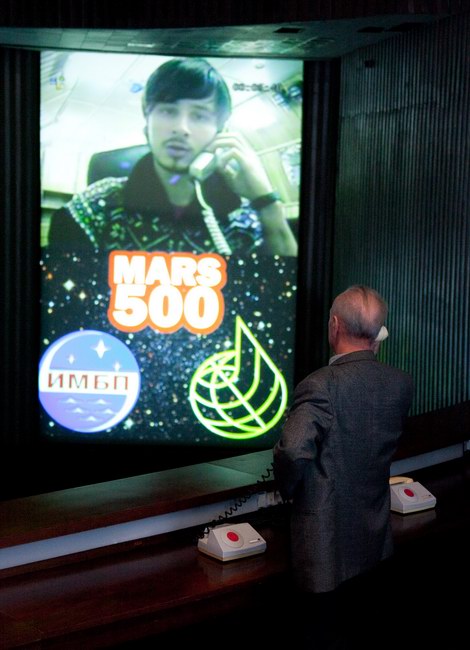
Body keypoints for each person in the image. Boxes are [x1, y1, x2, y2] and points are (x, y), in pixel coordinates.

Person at [273, 285, 414, 649]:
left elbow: (292, 451)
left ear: (334, 325)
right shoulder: (400, 383)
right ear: (379, 334)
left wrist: (286, 491)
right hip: (374, 540)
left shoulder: (320, 385)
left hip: (326, 551)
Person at [47, 57, 298, 256]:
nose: (181, 128)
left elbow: (284, 290)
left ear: (220, 134)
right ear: (147, 123)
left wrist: (267, 203)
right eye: (168, 111)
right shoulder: (95, 209)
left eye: (199, 116)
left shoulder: (244, 217)